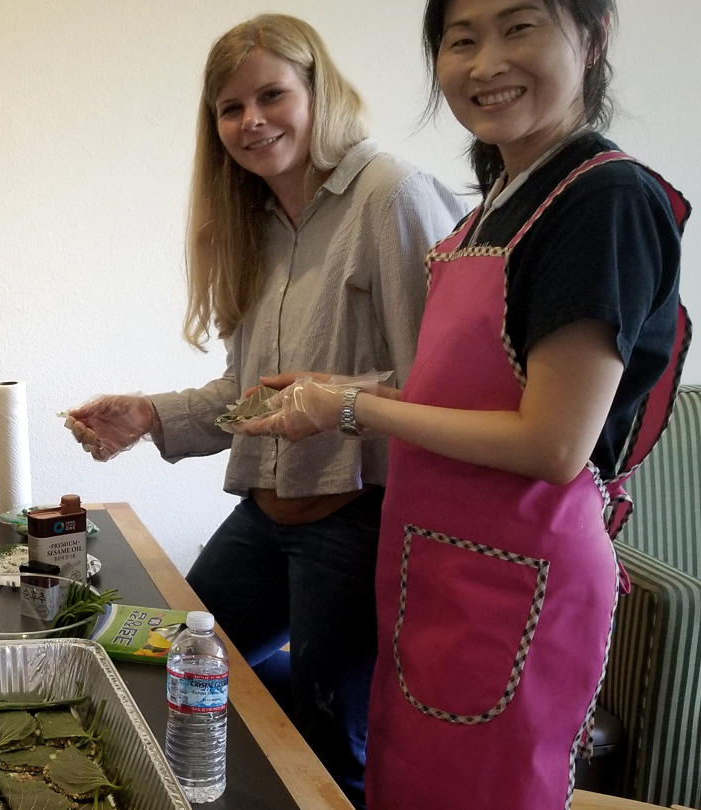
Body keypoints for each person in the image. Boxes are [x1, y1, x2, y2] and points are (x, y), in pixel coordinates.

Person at [235, 0, 689, 807]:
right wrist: (348, 391)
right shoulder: (497, 204)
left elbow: (553, 443)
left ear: (593, 38)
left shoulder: (604, 201)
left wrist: (354, 411)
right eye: (461, 39)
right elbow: (461, 394)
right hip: (439, 566)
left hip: (521, 581)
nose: (485, 65)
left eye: (519, 28)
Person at [63, 14, 465, 805]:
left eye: (272, 95)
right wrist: (149, 414)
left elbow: (440, 391)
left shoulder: (392, 196)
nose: (253, 121)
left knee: (330, 743)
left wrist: (339, 403)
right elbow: (250, 395)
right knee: (176, 664)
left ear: (319, 92)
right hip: (267, 513)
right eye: (230, 108)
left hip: (360, 518)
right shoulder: (255, 226)